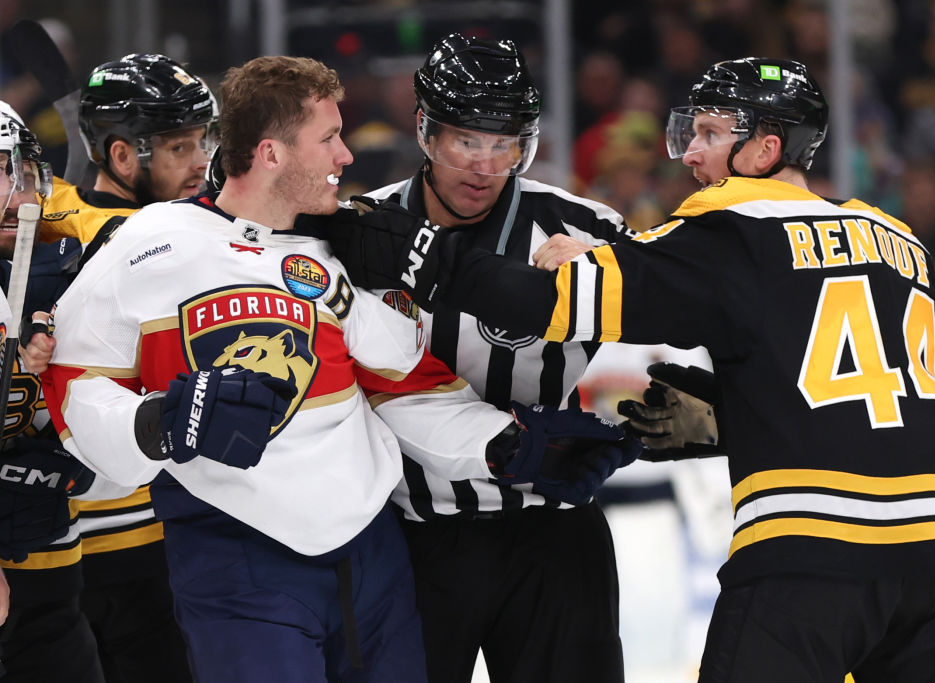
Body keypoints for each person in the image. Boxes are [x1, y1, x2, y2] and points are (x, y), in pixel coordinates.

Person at [331, 57, 935, 682]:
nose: (691, 154)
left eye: (710, 133)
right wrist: (726, 416)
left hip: (815, 549)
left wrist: (427, 260)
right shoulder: (899, 237)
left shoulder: (732, 225)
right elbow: (873, 393)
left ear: (765, 150)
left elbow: (549, 303)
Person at [42, 54, 632, 683]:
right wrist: (157, 422)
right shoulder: (147, 242)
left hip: (372, 556)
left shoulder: (334, 250)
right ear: (271, 154)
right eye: (328, 139)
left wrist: (510, 446)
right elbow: (71, 385)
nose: (346, 156)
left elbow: (405, 382)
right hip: (238, 551)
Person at [355, 33, 635, 683]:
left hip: (556, 541)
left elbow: (669, 358)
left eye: (504, 142)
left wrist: (606, 295)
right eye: (467, 140)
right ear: (426, 132)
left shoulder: (590, 232)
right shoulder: (362, 231)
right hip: (414, 536)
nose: (486, 164)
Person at [34, 53, 219, 683]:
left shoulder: (50, 213)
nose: (201, 163)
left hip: (130, 532)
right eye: (179, 146)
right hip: (93, 539)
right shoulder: (174, 236)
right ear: (120, 156)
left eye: (203, 142)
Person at [0, 98, 108, 683]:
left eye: (21, 170)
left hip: (52, 567)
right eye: (0, 171)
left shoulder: (54, 271)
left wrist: (71, 454)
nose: (20, 192)